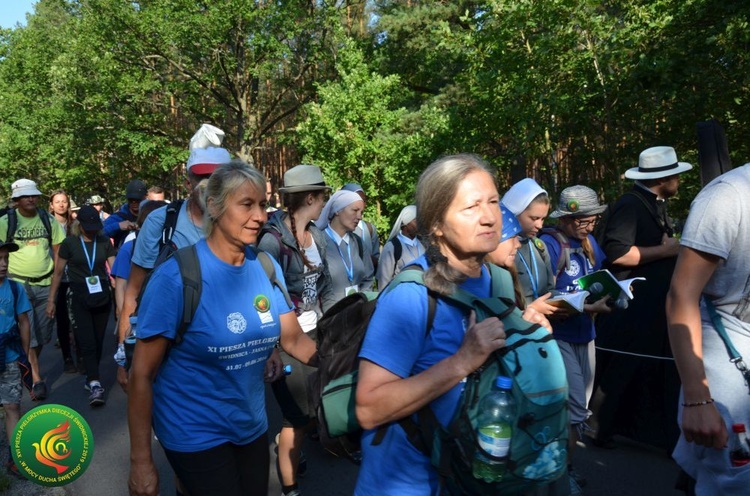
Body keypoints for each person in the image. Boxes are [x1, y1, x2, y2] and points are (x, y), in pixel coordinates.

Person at [127, 160, 318, 496]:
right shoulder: (177, 278)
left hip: (251, 425)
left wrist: (352, 361)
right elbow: (141, 374)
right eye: (246, 204)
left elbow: (294, 339)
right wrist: (141, 461)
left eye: (261, 204)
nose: (259, 216)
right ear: (213, 206)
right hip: (193, 433)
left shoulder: (264, 266)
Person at [354, 153, 508, 495]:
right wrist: (462, 361)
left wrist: (530, 332)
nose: (489, 217)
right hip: (407, 485)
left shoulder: (500, 283)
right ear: (436, 223)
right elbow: (367, 409)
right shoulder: (412, 296)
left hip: (473, 477)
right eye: (471, 207)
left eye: (494, 202)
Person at [594, 146, 692, 451]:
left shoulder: (653, 204)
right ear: (664, 177)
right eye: (675, 174)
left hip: (650, 307)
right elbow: (618, 253)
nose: (678, 180)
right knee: (621, 368)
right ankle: (599, 426)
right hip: (631, 306)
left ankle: (652, 434)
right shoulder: (630, 205)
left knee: (644, 369)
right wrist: (666, 250)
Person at [116, 145, 232, 390]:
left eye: (217, 178)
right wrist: (124, 358)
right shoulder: (161, 223)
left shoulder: (242, 226)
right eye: (201, 177)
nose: (208, 184)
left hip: (225, 353)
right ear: (188, 183)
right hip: (170, 354)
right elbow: (133, 293)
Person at [666, 163, 750, 494]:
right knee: (735, 479)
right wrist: (697, 400)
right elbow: (681, 295)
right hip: (727, 351)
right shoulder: (728, 197)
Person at [258, 164, 335, 496]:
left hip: (315, 334)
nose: (324, 204)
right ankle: (289, 489)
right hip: (285, 340)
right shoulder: (271, 242)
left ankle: (290, 447)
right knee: (297, 417)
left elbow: (327, 286)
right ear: (311, 198)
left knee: (311, 411)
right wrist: (271, 346)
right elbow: (258, 299)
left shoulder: (317, 235)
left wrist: (333, 324)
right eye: (322, 198)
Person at [540, 185, 612, 492]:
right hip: (560, 335)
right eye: (584, 219)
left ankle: (562, 467)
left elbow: (596, 280)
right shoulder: (549, 245)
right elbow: (542, 296)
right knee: (574, 410)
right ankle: (560, 474)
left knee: (579, 410)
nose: (591, 224)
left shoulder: (591, 242)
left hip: (587, 333)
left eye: (594, 218)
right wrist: (584, 305)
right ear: (567, 218)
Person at [0, 179, 66, 401]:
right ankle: (36, 378)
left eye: (34, 195)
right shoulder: (5, 222)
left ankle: (27, 364)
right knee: (28, 331)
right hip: (17, 284)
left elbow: (59, 254)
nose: (31, 199)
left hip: (46, 284)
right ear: (16, 199)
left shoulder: (48, 220)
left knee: (44, 334)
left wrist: (54, 294)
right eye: (26, 196)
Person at [47, 205, 116, 406]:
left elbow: (115, 272)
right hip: (79, 296)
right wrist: (51, 300)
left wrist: (121, 301)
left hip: (102, 297)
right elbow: (58, 273)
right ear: (79, 225)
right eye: (88, 226)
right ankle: (94, 383)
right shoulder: (70, 243)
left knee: (98, 341)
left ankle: (91, 375)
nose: (92, 230)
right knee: (87, 341)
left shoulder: (104, 242)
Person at [502, 179, 560, 317]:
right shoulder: (500, 251)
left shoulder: (538, 246)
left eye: (543, 218)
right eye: (534, 218)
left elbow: (550, 290)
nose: (540, 225)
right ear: (515, 212)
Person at [0, 240, 31, 478]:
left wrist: (24, 353)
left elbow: (23, 321)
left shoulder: (15, 288)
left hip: (10, 357)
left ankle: (15, 457)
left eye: (6, 260)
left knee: (12, 405)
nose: (3, 265)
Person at [110, 200, 167, 321]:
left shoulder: (172, 248)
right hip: (137, 314)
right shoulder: (129, 248)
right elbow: (121, 286)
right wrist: (123, 318)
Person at [315, 189, 374, 299]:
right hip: (329, 313)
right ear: (337, 210)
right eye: (355, 210)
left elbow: (368, 278)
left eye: (361, 212)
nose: (359, 217)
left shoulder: (358, 243)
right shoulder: (318, 242)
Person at [48, 190, 77, 374]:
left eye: (64, 201)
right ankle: (67, 357)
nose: (61, 205)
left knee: (77, 318)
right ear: (51, 205)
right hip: (55, 278)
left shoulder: (75, 224)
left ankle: (81, 354)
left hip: (74, 276)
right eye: (57, 202)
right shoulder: (47, 223)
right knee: (62, 320)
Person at [376, 205, 424, 289]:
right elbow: (384, 281)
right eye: (416, 220)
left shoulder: (423, 245)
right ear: (405, 224)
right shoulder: (392, 247)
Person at [341, 183, 380, 271]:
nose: (361, 203)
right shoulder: (335, 229)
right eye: (357, 199)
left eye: (364, 200)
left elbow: (376, 258)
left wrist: (367, 258)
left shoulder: (369, 228)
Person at [103, 179, 147, 248]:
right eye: (131, 200)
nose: (134, 203)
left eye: (137, 200)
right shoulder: (119, 217)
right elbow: (99, 233)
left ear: (145, 198)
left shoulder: (151, 214)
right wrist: (118, 226)